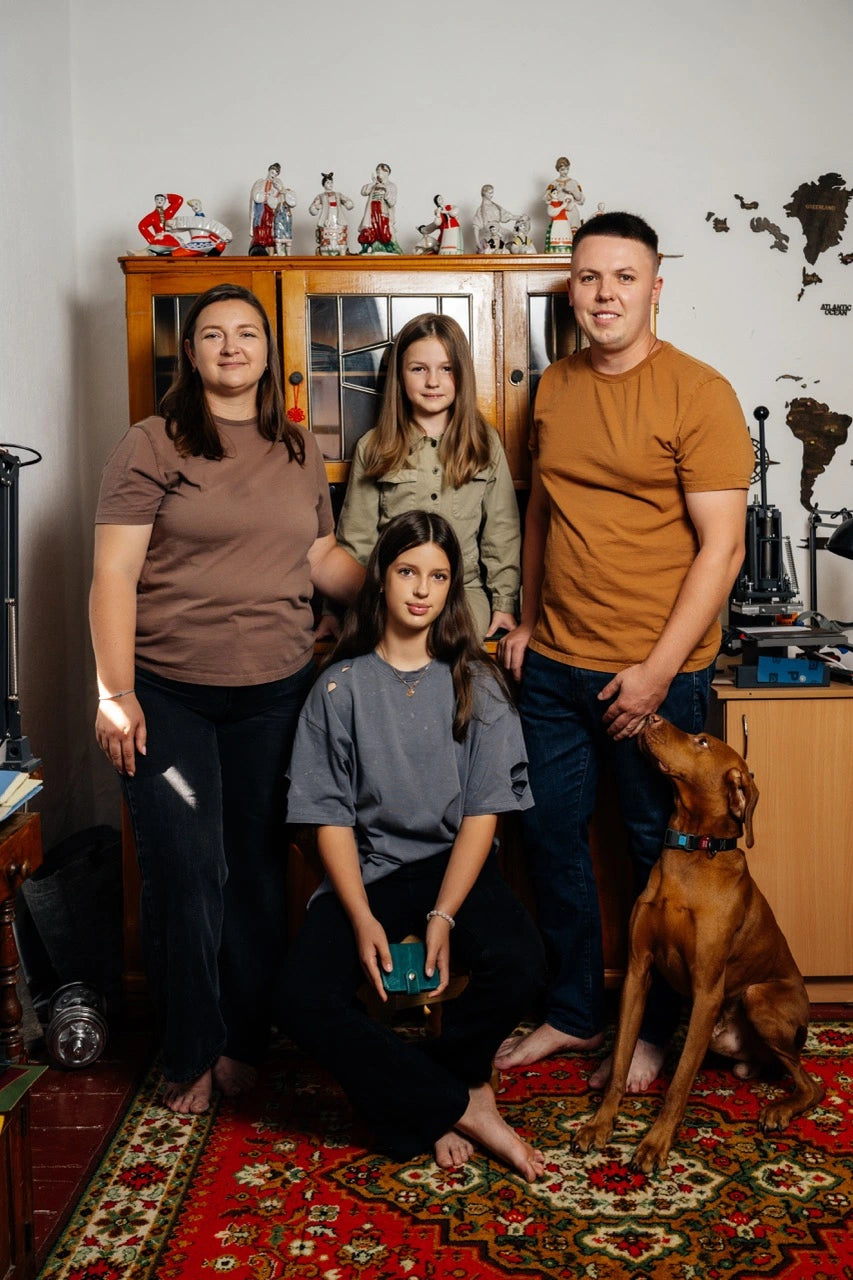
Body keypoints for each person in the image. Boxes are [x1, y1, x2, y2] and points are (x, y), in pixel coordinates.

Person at [494, 212, 754, 1088]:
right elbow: (540, 511)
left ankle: (659, 1029)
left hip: (658, 675)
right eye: (588, 278)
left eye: (623, 278)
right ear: (571, 287)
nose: (603, 295)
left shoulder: (698, 392)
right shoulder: (554, 388)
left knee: (660, 854)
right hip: (556, 667)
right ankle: (573, 1014)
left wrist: (652, 674)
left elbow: (722, 549)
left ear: (653, 286)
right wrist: (527, 621)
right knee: (553, 841)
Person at [90, 283, 363, 1116]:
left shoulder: (293, 444)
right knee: (187, 865)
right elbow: (113, 575)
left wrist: (396, 586)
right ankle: (189, 1051)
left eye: (247, 333)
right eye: (214, 334)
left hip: (274, 698)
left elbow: (318, 552)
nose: (231, 346)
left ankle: (244, 1039)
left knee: (252, 870)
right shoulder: (152, 444)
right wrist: (114, 695)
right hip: (167, 701)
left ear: (267, 353)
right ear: (192, 352)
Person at [279, 511, 547, 1179]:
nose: (421, 590)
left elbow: (484, 815)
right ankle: (455, 1103)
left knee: (521, 961)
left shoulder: (476, 682)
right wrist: (362, 916)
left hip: (448, 869)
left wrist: (443, 914)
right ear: (381, 579)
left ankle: (447, 1078)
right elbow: (327, 819)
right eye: (407, 572)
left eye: (437, 576)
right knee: (298, 998)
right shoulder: (338, 687)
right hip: (365, 872)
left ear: (451, 588)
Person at [333, 313, 520, 639]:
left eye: (446, 369)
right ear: (400, 377)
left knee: (448, 654)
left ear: (461, 374)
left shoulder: (484, 442)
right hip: (390, 596)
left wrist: (504, 602)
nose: (433, 381)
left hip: (463, 594)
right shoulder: (374, 446)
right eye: (419, 369)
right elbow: (355, 540)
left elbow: (501, 533)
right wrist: (335, 611)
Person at [543, 156, 584, 253]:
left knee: (574, 233)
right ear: (558, 170)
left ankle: (576, 253)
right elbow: (546, 198)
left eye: (567, 169)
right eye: (562, 169)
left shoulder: (574, 182)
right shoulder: (554, 183)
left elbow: (580, 198)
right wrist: (557, 189)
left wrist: (573, 191)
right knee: (560, 234)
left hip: (572, 211)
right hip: (560, 212)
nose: (565, 171)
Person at [357, 163, 401, 253]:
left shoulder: (391, 186)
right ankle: (371, 246)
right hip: (371, 211)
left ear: (386, 172)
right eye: (377, 171)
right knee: (369, 229)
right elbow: (364, 192)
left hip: (383, 212)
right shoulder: (374, 185)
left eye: (380, 171)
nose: (378, 173)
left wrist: (385, 192)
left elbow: (392, 202)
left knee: (385, 231)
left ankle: (389, 247)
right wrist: (373, 183)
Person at [308, 172, 354, 256]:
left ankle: (341, 252)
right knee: (326, 241)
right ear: (324, 184)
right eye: (328, 182)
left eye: (331, 182)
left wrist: (348, 203)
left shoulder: (338, 195)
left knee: (340, 240)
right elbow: (312, 209)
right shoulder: (321, 196)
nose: (330, 184)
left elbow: (349, 203)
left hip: (338, 219)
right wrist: (316, 207)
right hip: (326, 220)